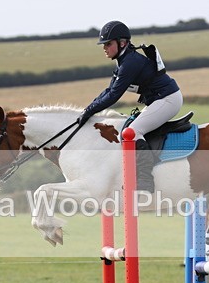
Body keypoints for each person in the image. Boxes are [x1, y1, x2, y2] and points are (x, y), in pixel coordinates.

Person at [77, 20, 183, 192]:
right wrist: (87, 110)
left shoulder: (130, 63)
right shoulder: (123, 60)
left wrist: (89, 112)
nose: (104, 48)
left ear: (122, 42)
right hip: (160, 99)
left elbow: (113, 96)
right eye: (104, 45)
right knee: (127, 129)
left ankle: (144, 181)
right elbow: (108, 90)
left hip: (168, 99)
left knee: (131, 134)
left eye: (108, 44)